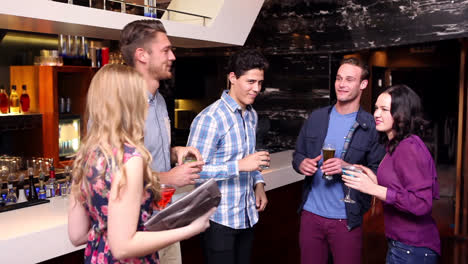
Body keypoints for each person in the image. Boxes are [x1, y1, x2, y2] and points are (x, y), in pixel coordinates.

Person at [67, 64, 215, 264]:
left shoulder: (87, 154)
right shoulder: (130, 158)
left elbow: (76, 235)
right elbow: (123, 247)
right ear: (129, 103)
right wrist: (188, 229)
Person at [120, 19, 205, 263]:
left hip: (165, 217)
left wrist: (174, 152)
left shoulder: (158, 100)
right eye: (166, 50)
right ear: (142, 55)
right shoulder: (118, 105)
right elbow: (114, 173)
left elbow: (144, 154)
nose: (173, 56)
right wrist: (169, 178)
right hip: (134, 226)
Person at [292, 57, 386, 264]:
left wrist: (347, 168)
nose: (342, 84)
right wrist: (302, 164)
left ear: (363, 84)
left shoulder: (371, 126)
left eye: (349, 79)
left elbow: (378, 173)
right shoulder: (316, 117)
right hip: (310, 215)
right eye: (339, 78)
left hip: (347, 218)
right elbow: (297, 155)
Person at [187, 49, 270, 264]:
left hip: (247, 215)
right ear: (232, 77)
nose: (256, 89)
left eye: (260, 83)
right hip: (218, 220)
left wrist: (259, 184)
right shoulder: (210, 119)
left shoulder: (251, 114)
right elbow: (193, 172)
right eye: (251, 82)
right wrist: (239, 166)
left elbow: (250, 159)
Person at [342, 84, 440, 264]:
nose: (377, 114)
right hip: (402, 245)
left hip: (413, 248)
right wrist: (373, 179)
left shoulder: (408, 147)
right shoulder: (395, 145)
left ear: (402, 114)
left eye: (384, 109)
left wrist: (374, 189)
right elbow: (400, 186)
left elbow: (422, 203)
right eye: (376, 108)